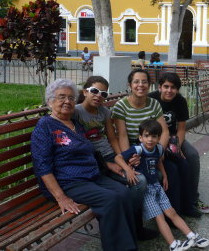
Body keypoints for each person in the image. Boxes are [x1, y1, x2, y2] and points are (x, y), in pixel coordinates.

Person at [31, 78, 137, 251]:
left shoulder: (75, 124)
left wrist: (107, 165)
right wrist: (61, 197)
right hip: (68, 182)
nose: (67, 101)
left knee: (123, 192)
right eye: (61, 97)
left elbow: (90, 150)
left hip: (91, 176)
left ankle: (130, 243)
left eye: (71, 98)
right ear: (50, 101)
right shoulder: (45, 126)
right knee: (110, 199)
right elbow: (42, 165)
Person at [73, 76, 157, 241]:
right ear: (85, 92)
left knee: (139, 179)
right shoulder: (76, 112)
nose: (99, 96)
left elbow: (112, 139)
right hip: (95, 162)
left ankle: (133, 226)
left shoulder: (104, 112)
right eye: (95, 91)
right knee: (138, 182)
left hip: (110, 156)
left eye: (103, 94)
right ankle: (131, 227)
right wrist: (108, 164)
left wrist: (123, 158)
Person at [115, 119, 209, 251]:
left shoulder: (159, 148)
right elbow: (118, 158)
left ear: (159, 138)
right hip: (146, 190)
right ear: (140, 137)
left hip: (156, 186)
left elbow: (158, 161)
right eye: (146, 136)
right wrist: (128, 170)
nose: (150, 139)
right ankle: (173, 245)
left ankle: (192, 236)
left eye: (154, 136)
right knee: (160, 217)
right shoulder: (137, 148)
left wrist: (164, 175)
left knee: (171, 212)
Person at [149, 72, 209, 215]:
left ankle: (193, 198)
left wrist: (177, 146)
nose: (169, 90)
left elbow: (182, 128)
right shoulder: (151, 99)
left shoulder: (180, 101)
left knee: (192, 155)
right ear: (160, 87)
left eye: (173, 87)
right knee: (173, 165)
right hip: (153, 139)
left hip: (173, 137)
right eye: (166, 86)